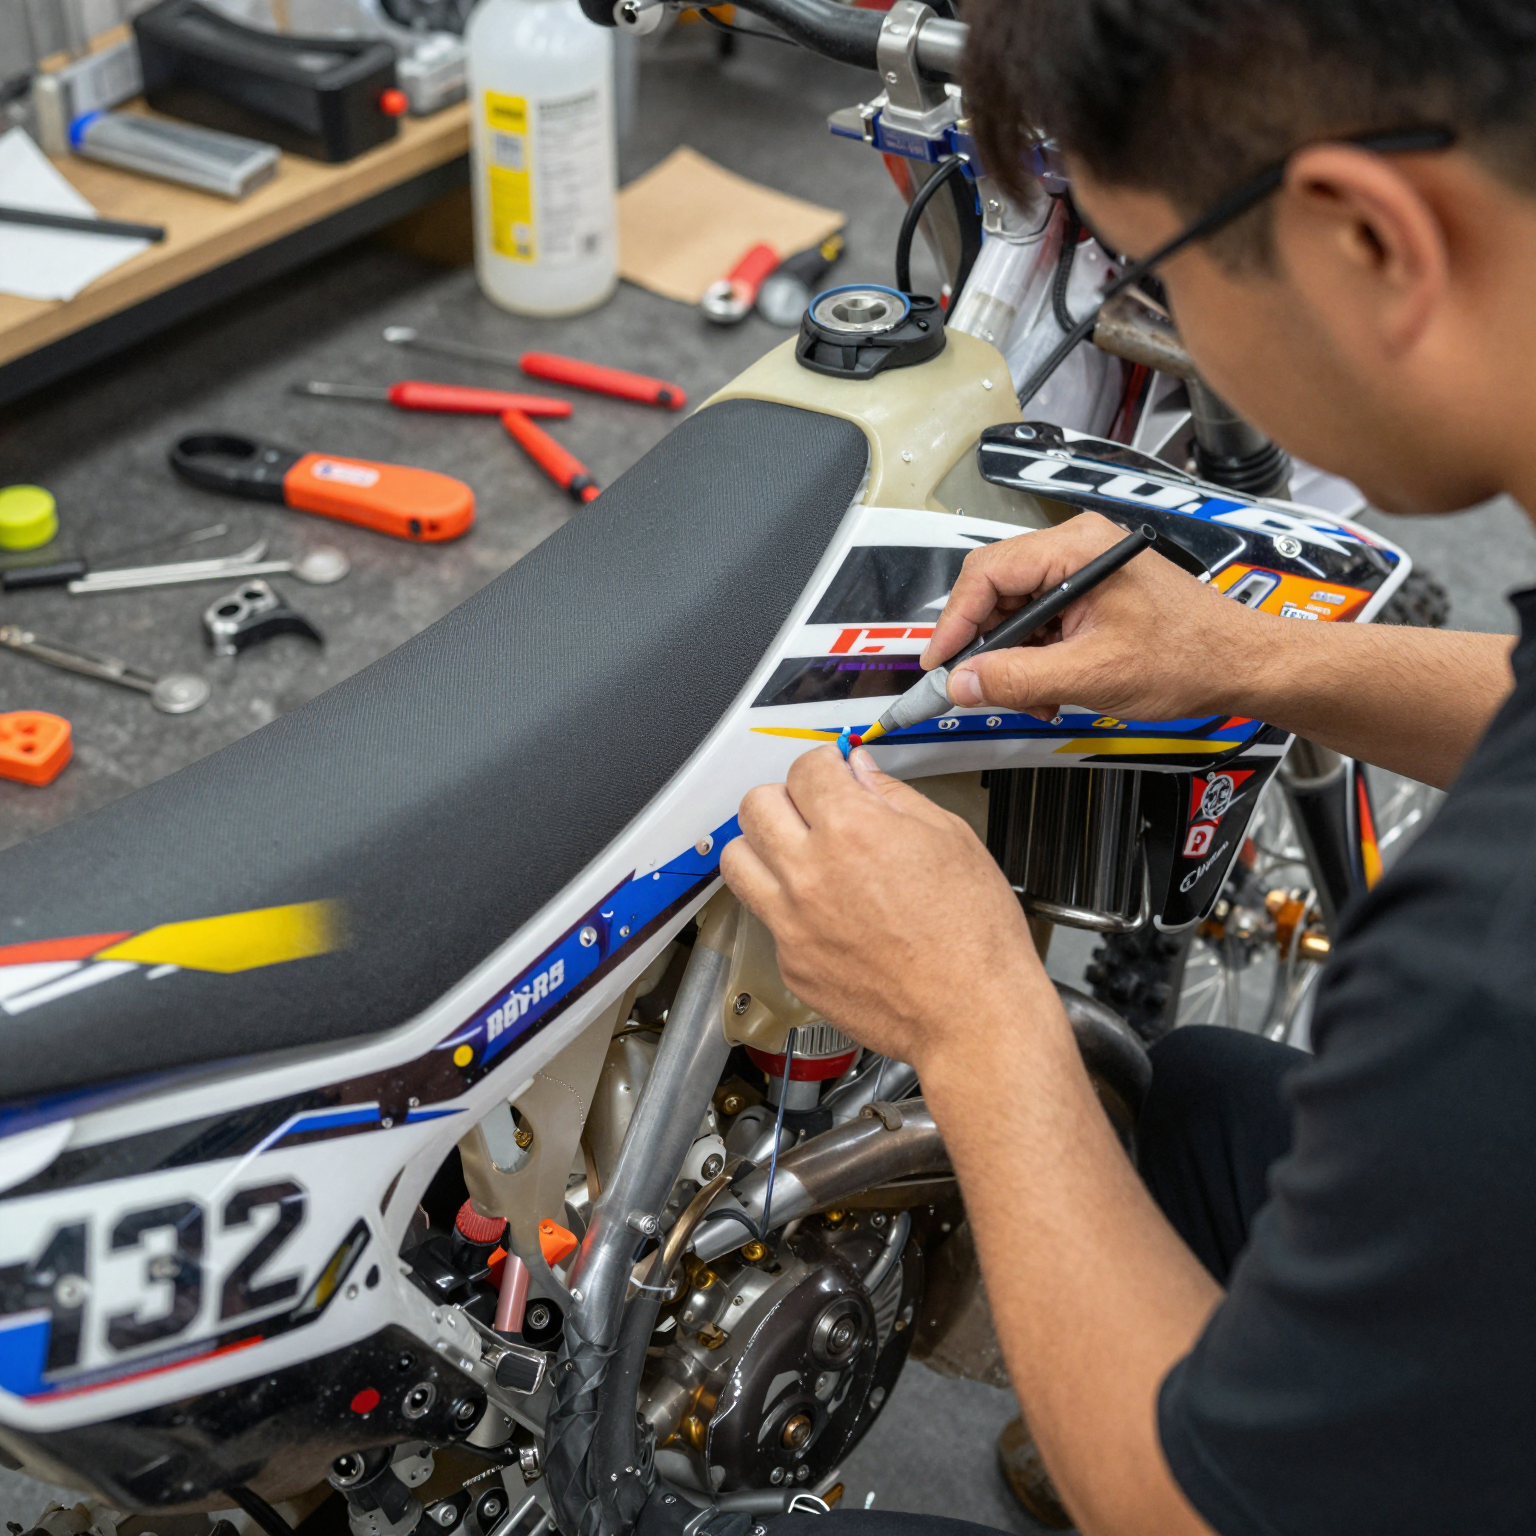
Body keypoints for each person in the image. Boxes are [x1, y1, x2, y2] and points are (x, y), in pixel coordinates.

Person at [721, 2, 1536, 1533]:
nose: (1160, 331)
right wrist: (1261, 658)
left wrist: (975, 1020)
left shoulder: (1485, 962)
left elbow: (1194, 1514)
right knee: (1200, 1109)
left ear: (1370, 237)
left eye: (1155, 277)